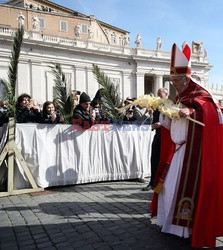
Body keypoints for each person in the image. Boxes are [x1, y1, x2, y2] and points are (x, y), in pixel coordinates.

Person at [150, 43, 223, 248]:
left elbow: (209, 109)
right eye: (171, 81)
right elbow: (176, 117)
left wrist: (191, 112)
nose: (174, 85)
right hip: (180, 149)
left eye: (176, 81)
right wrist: (164, 116)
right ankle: (171, 224)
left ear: (186, 78)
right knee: (169, 188)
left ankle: (186, 228)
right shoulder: (181, 95)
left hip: (195, 154)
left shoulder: (201, 92)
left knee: (180, 188)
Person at [142, 87, 168, 191]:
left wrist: (161, 125)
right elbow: (155, 119)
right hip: (158, 135)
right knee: (154, 159)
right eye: (157, 93)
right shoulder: (157, 106)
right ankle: (152, 182)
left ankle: (162, 183)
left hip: (167, 137)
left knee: (164, 160)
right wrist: (153, 125)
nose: (158, 96)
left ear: (166, 94)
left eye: (160, 94)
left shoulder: (170, 105)